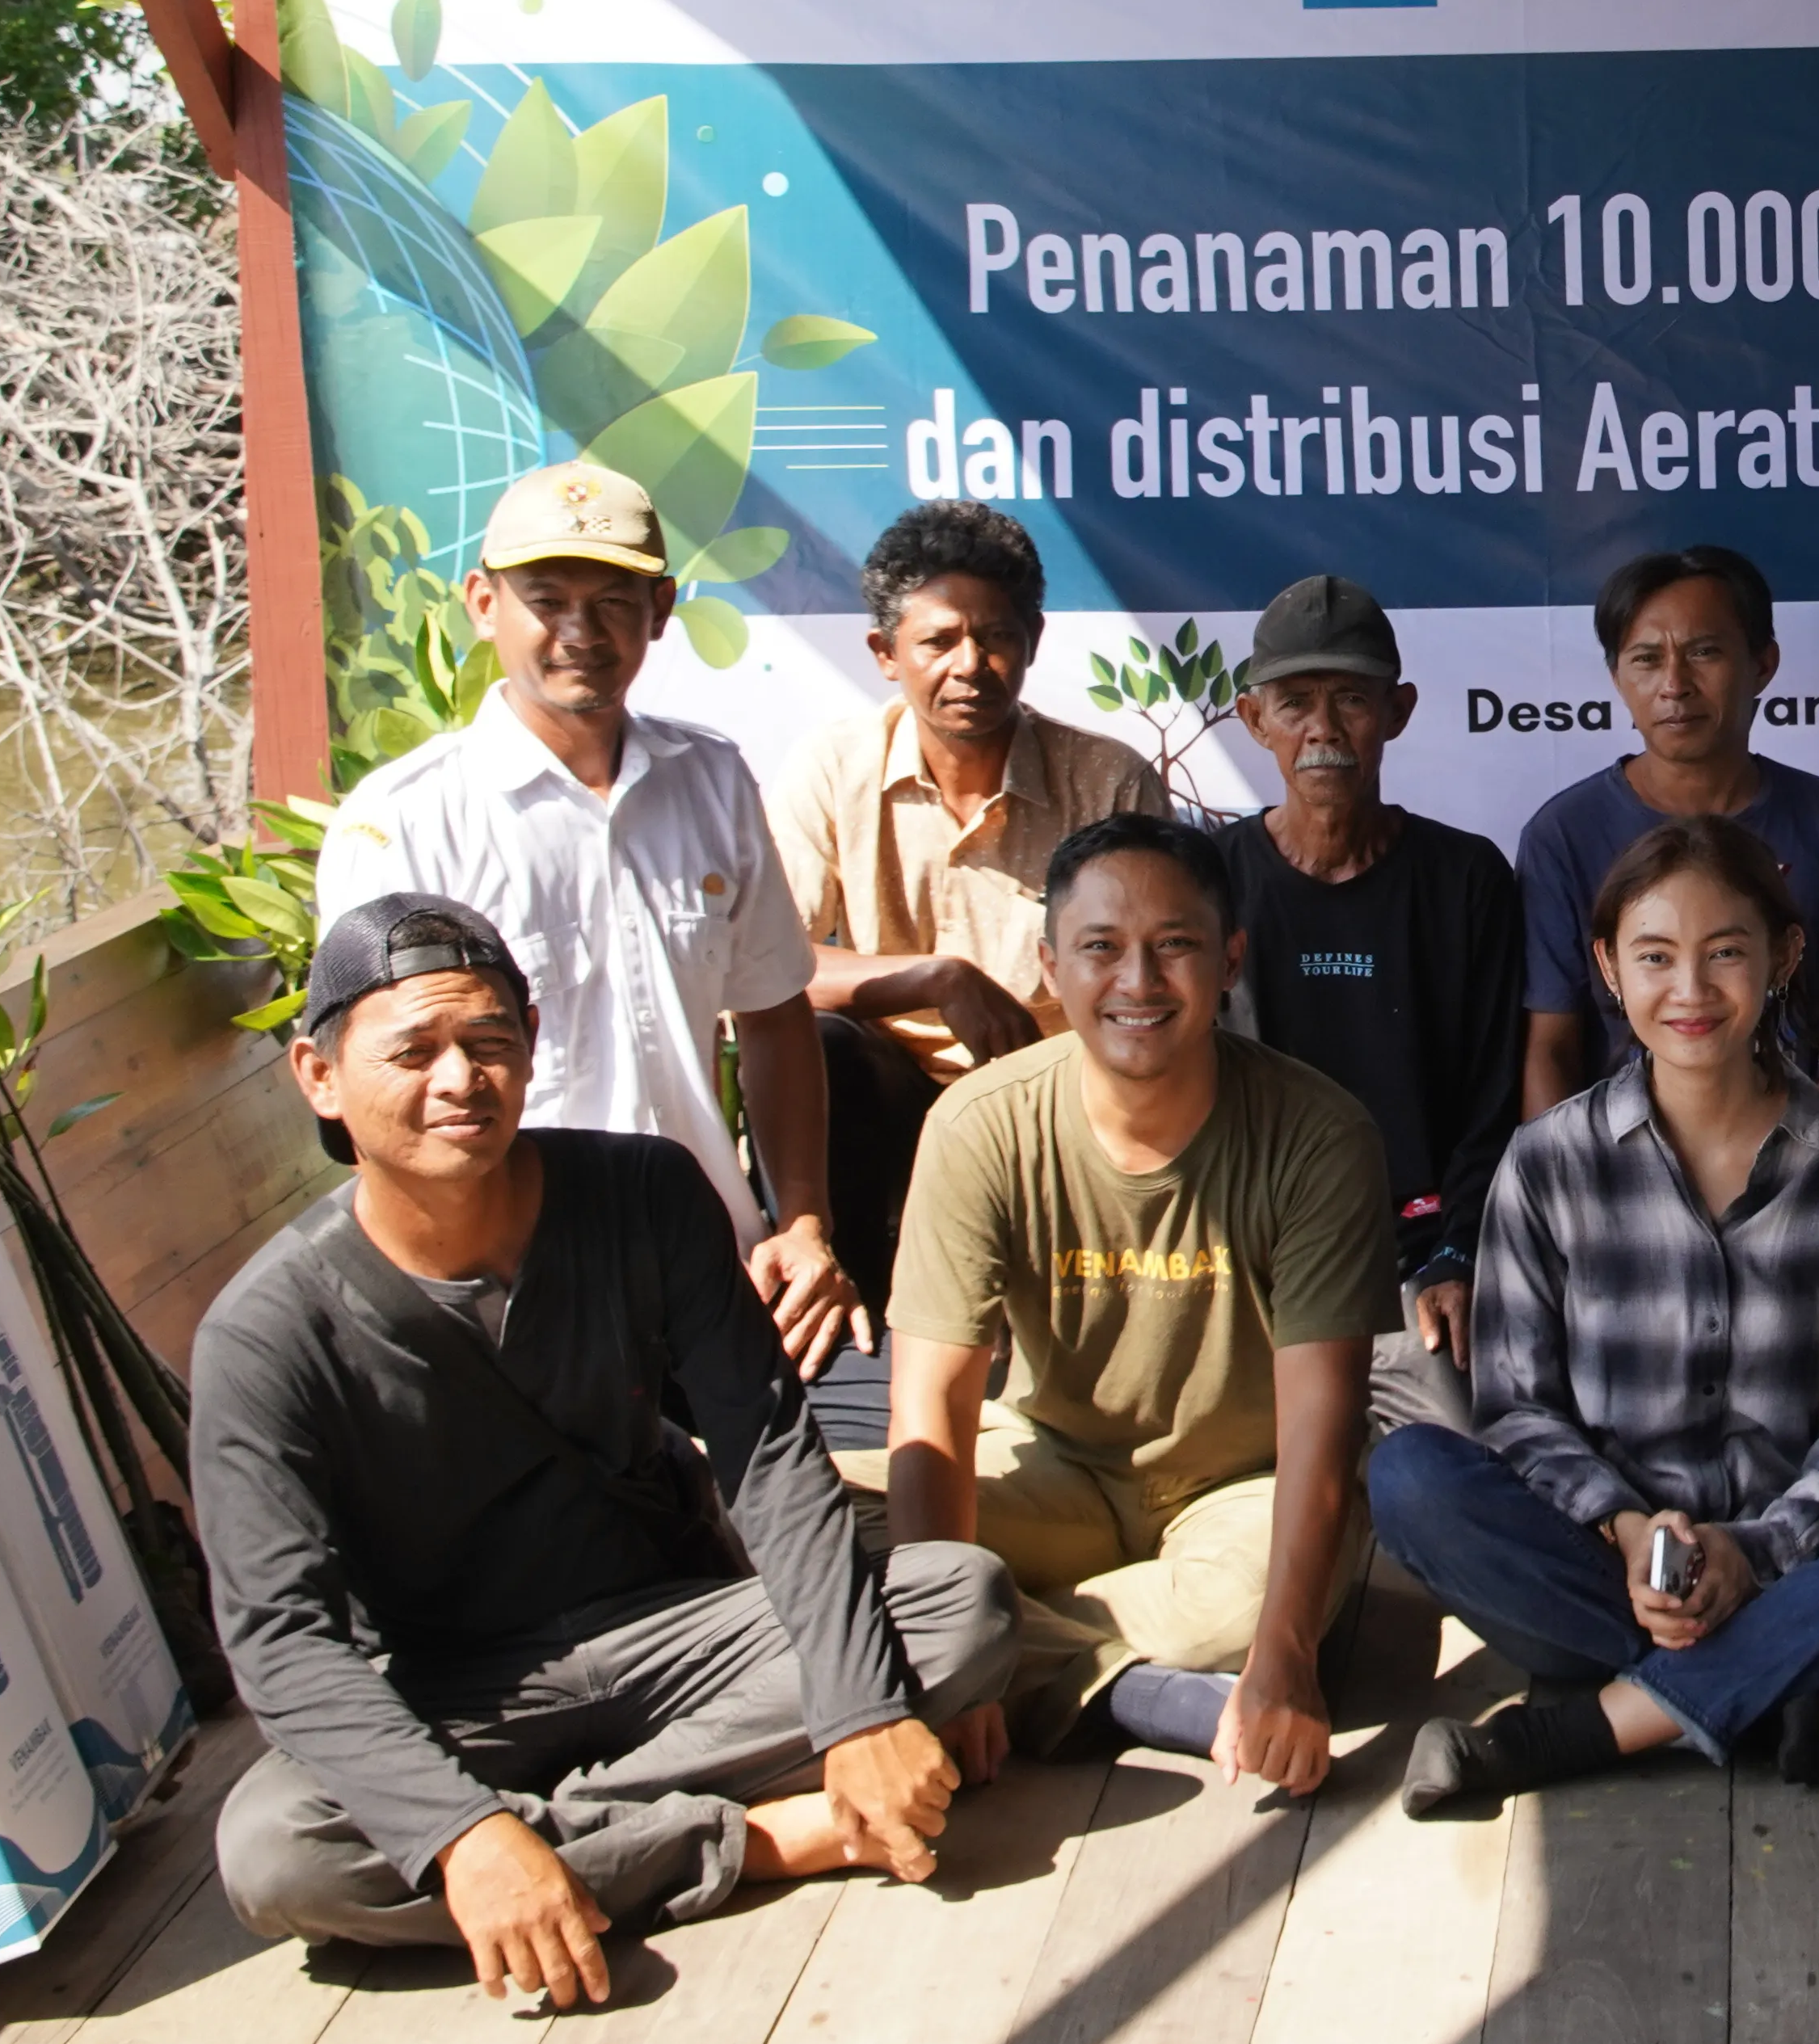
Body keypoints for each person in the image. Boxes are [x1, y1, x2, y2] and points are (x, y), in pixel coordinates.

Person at [200, 897, 1016, 2008]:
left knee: (959, 1603)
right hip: (464, 1693)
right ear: (319, 1074)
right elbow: (281, 1641)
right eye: (415, 1051)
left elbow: (768, 1455)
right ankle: (765, 1839)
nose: (460, 1079)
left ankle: (565, 1845)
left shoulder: (641, 1193)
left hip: (677, 1632)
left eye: (491, 1042)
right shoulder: (267, 1331)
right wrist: (464, 1829)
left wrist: (861, 1712)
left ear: (533, 1041)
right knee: (277, 1851)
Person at [1372, 817, 1819, 1814]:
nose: (1690, 991)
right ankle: (1779, 1678)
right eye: (1655, 956)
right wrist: (1620, 1525)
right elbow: (1519, 1406)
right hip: (1601, 1565)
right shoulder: (1551, 1160)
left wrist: (1754, 1552)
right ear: (1607, 967)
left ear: (1785, 957)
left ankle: (1579, 1729)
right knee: (1411, 1475)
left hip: (1790, 1555)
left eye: (1726, 953)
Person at [877, 814, 1398, 1794]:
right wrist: (949, 1638)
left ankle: (1030, 1654)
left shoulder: (1320, 1133)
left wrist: (1286, 1655)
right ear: (1049, 965)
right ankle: (1129, 1689)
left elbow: (1322, 1423)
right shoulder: (980, 1124)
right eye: (1102, 949)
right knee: (829, 1537)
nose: (1139, 983)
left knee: (1250, 1607)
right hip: (1053, 1468)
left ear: (1231, 957)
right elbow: (930, 1411)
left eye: (1175, 947)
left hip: (1238, 1490)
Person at [317, 462, 848, 1369]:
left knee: (855, 1490)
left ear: (662, 610)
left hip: (722, 1269)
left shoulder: (712, 781)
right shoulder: (403, 820)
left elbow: (773, 1014)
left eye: (612, 601)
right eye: (547, 598)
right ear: (484, 604)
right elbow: (377, 1095)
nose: (580, 632)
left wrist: (802, 1224)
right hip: (514, 1295)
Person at [768, 501, 1168, 1322]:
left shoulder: (1108, 780)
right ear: (885, 653)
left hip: (1062, 1098)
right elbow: (772, 964)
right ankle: (854, 1319)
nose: (972, 664)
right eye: (939, 640)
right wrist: (934, 978)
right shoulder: (831, 765)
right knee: (821, 1042)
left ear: (1034, 640)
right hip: (892, 1096)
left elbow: (1155, 973)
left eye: (997, 637)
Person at [1213, 573, 1526, 1442]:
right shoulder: (1209, 882)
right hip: (1251, 1264)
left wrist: (1460, 1252)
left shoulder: (1468, 881)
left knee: (1461, 1470)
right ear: (1253, 719)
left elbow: (1496, 1100)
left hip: (1414, 1264)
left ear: (1398, 710)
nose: (1323, 729)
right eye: (1296, 702)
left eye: (1351, 699)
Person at [1518, 546, 1819, 1120]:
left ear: (1762, 664)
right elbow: (1549, 1048)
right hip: (1622, 1177)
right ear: (1617, 678)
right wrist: (1572, 1183)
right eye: (1647, 660)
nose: (1674, 685)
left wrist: (1797, 1162)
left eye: (1704, 652)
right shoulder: (1563, 833)